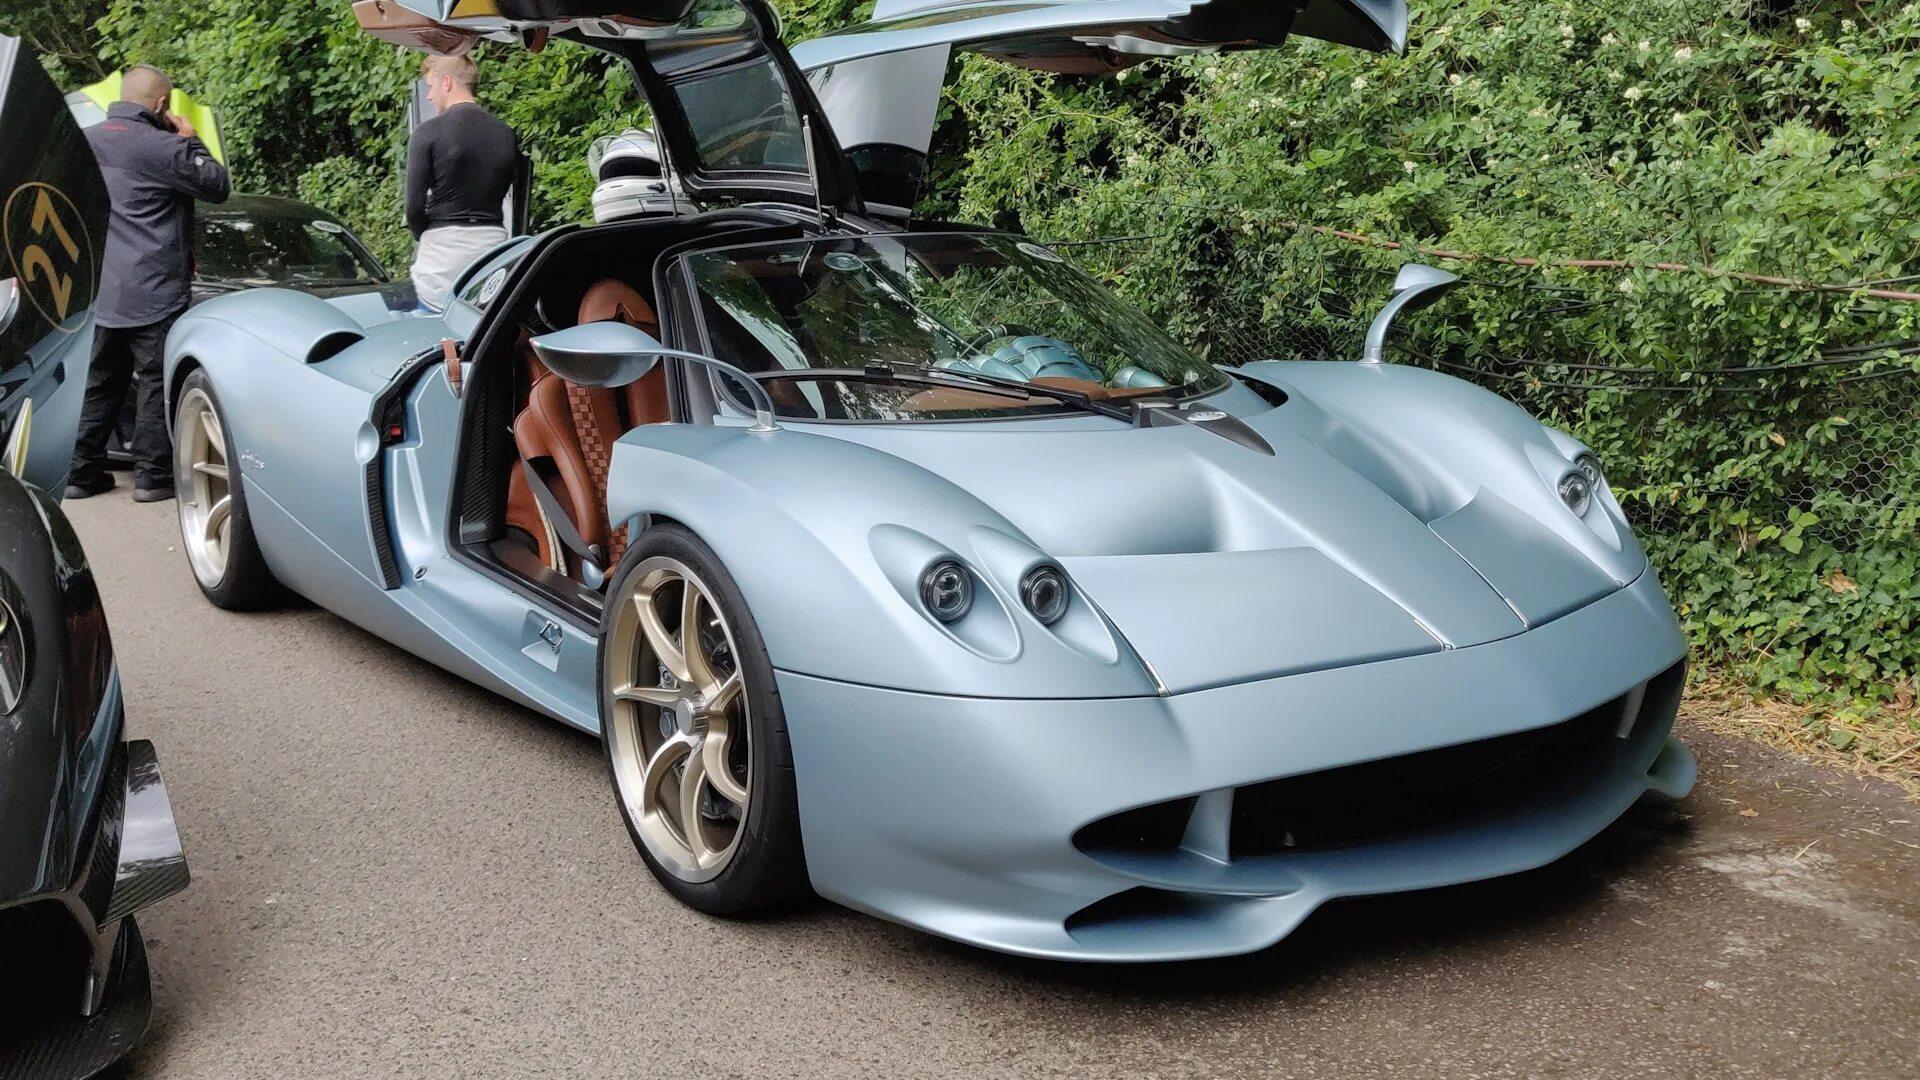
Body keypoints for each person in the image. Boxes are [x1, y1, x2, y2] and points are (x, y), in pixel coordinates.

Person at [68, 64, 230, 501]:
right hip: (155, 291)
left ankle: (80, 473)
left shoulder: (82, 143)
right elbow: (217, 185)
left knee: (99, 382)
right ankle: (152, 477)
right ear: (162, 105)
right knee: (156, 381)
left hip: (101, 291)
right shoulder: (165, 148)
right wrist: (190, 138)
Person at [405, 54, 519, 311]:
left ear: (447, 82)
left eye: (431, 86)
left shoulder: (427, 133)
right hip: (492, 252)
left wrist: (425, 234)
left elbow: (413, 208)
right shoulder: (505, 133)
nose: (429, 96)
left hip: (441, 260)